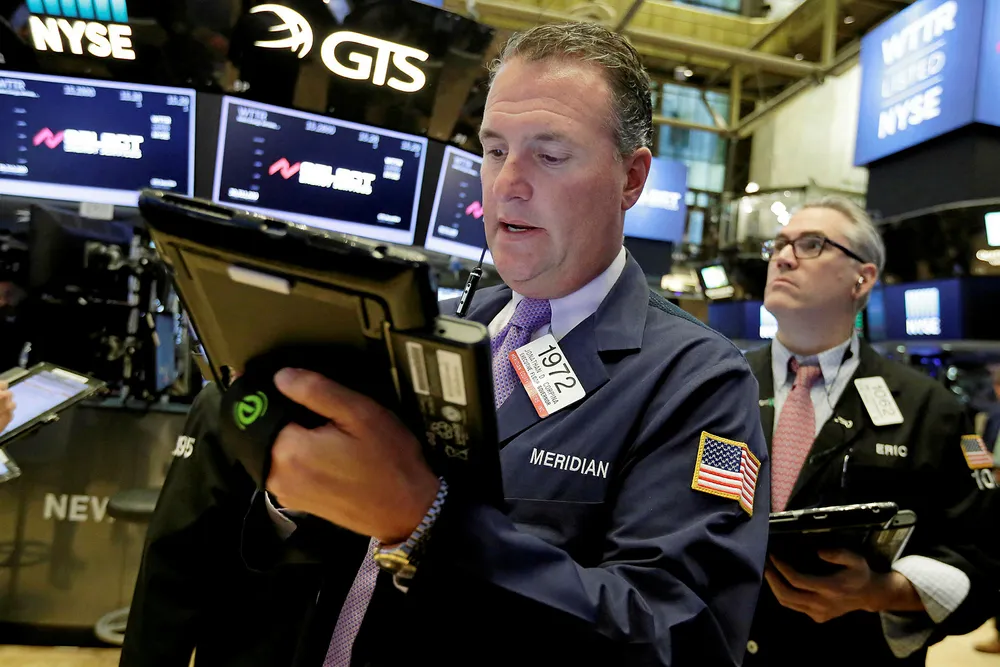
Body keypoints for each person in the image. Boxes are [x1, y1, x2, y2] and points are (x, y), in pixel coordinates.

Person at [122, 21, 770, 667]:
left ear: (631, 177)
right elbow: (330, 554)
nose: (507, 183)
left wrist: (428, 524)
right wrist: (295, 495)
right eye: (494, 149)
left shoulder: (697, 381)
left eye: (549, 155)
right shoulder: (433, 325)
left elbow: (684, 642)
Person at [743, 196, 998, 666]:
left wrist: (882, 591)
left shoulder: (930, 408)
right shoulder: (718, 385)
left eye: (811, 244)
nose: (783, 257)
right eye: (778, 244)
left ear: (862, 279)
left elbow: (983, 560)